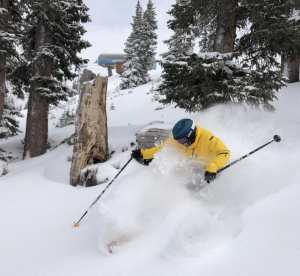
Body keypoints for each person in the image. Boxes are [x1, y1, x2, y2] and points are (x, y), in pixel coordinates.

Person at [131, 118, 230, 183]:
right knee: (179, 169)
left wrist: (213, 168)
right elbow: (161, 149)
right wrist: (143, 154)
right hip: (193, 168)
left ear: (190, 134)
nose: (180, 143)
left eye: (182, 140)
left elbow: (224, 153)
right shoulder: (178, 142)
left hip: (211, 171)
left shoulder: (208, 139)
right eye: (178, 140)